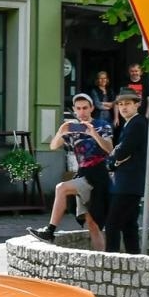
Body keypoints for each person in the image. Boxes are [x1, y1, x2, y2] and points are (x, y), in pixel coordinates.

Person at [26, 94, 113, 248]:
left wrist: (94, 133)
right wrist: (61, 132)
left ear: (92, 108)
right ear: (74, 110)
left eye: (85, 108)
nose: (82, 112)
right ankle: (100, 258)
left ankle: (50, 231)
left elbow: (109, 149)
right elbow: (53, 146)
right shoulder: (73, 129)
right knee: (91, 223)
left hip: (99, 175)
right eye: (78, 109)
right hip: (84, 175)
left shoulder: (102, 125)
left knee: (64, 190)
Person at [104, 88, 149, 254]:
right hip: (129, 181)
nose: (123, 107)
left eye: (128, 104)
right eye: (120, 104)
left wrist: (112, 160)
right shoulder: (130, 123)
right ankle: (134, 259)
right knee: (129, 225)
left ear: (137, 105)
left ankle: (112, 259)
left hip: (129, 182)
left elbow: (123, 151)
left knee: (112, 224)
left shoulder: (137, 123)